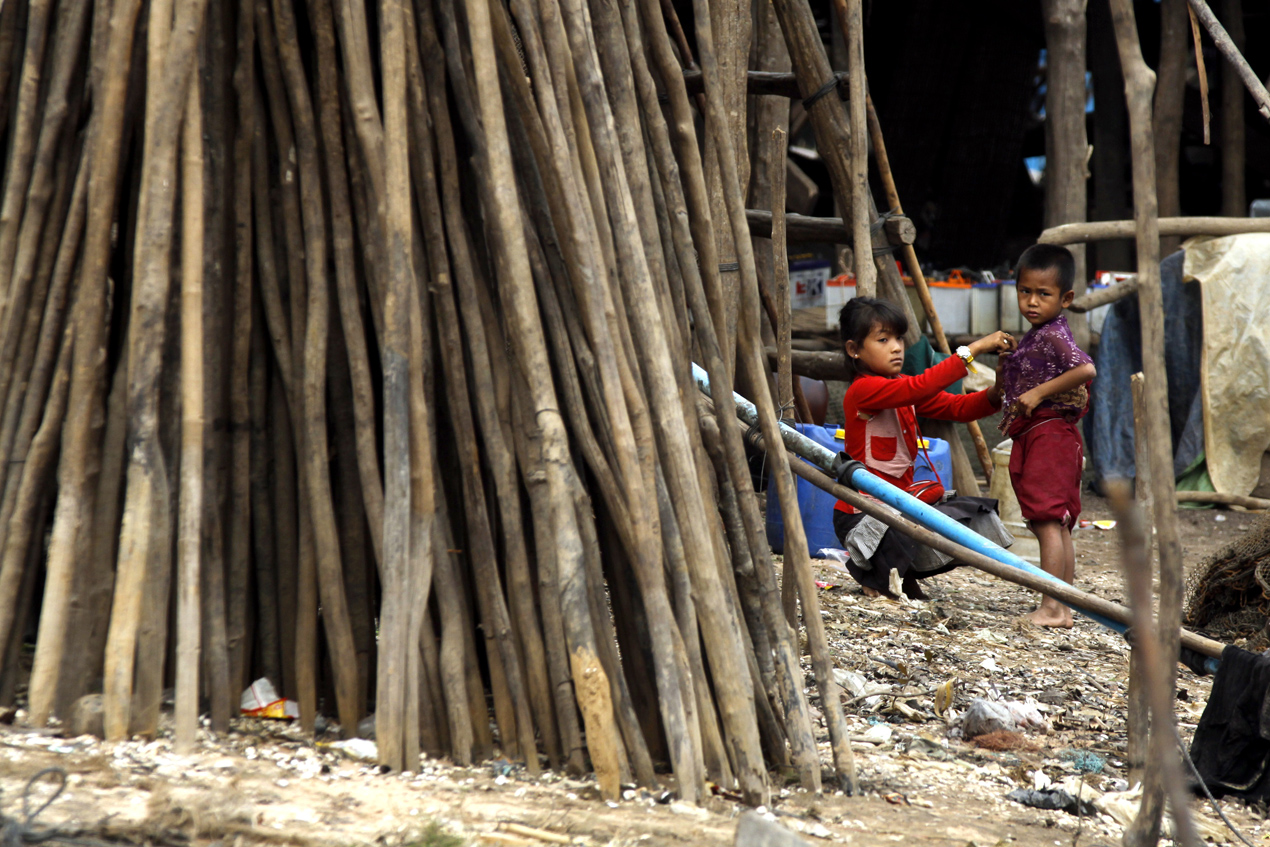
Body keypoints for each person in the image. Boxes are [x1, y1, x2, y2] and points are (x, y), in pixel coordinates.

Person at [831, 297, 1016, 600]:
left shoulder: (902, 386)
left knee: (970, 517)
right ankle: (873, 573)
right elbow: (918, 387)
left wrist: (996, 391)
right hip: (863, 512)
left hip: (903, 505)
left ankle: (899, 575)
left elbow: (958, 408)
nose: (896, 347)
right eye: (883, 339)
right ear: (854, 350)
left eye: (899, 338)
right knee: (905, 527)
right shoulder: (862, 390)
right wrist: (975, 348)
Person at [998, 244, 1097, 628]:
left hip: (1049, 435)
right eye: (1026, 292)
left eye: (1044, 294)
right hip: (1051, 436)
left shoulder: (1053, 336)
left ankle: (1053, 608)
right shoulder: (1037, 335)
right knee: (1056, 522)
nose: (1032, 302)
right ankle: (1064, 606)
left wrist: (1038, 393)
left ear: (1066, 298)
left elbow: (1085, 370)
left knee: (1046, 521)